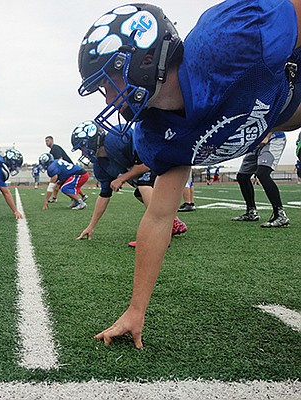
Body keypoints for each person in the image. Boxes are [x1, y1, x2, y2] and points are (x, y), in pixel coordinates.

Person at [77, 1, 301, 348]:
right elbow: (159, 216)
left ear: (144, 59)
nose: (107, 97)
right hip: (282, 110)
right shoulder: (154, 134)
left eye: (109, 81)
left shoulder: (231, 37)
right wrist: (136, 309)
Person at [70, 121, 187, 244]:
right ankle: (174, 223)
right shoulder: (100, 165)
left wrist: (121, 179)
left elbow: (146, 164)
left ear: (92, 141)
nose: (83, 153)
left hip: (163, 160)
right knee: (139, 192)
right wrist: (91, 226)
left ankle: (159, 234)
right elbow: (104, 195)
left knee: (143, 184)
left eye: (82, 148)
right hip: (151, 171)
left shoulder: (116, 139)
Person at [231, 131, 290, 227]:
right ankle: (251, 212)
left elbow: (276, 118)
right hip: (255, 142)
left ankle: (280, 215)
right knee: (242, 177)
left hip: (273, 138)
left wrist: (268, 135)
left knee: (262, 173)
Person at [44, 136, 87, 202]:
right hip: (67, 169)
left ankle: (79, 200)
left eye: (47, 140)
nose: (46, 142)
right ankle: (82, 196)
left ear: (52, 141)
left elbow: (60, 160)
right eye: (45, 141)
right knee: (65, 184)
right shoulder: (52, 150)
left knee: (63, 185)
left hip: (68, 169)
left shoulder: (55, 148)